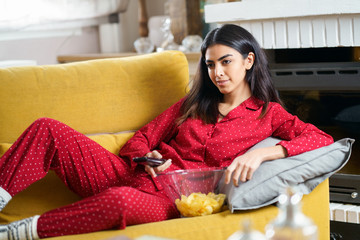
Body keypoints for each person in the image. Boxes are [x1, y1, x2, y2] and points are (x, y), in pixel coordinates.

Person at [0, 24, 333, 240]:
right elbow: (140, 139)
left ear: (248, 61)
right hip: (131, 173)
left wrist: (262, 152)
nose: (217, 72)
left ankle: (18, 233)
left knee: (119, 201)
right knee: (48, 129)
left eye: (225, 62)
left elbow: (321, 139)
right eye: (210, 64)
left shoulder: (268, 114)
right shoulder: (191, 104)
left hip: (173, 200)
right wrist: (148, 157)